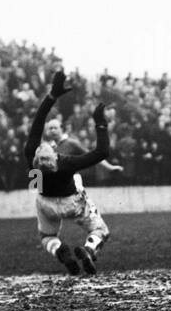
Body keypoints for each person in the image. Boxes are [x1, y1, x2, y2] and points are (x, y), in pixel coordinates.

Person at [26, 71, 113, 276]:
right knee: (101, 231)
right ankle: (89, 249)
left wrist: (51, 96)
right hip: (72, 202)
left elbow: (38, 121)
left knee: (47, 237)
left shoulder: (31, 157)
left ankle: (59, 249)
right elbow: (102, 152)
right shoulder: (66, 162)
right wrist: (100, 124)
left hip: (46, 203)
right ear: (55, 155)